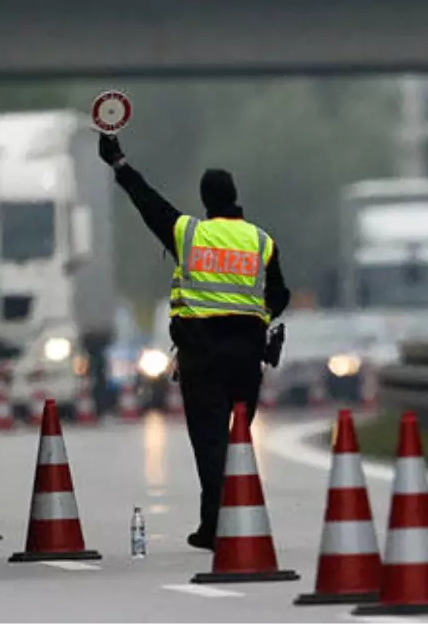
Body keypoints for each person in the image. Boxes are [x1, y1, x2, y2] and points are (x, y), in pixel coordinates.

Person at [97, 133, 290, 551]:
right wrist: (260, 319)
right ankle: (219, 524)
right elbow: (280, 297)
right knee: (237, 439)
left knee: (210, 442)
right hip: (247, 355)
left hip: (202, 355)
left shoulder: (188, 234)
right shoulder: (261, 241)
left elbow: (149, 203)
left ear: (205, 200)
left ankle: (219, 527)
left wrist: (119, 164)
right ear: (235, 197)